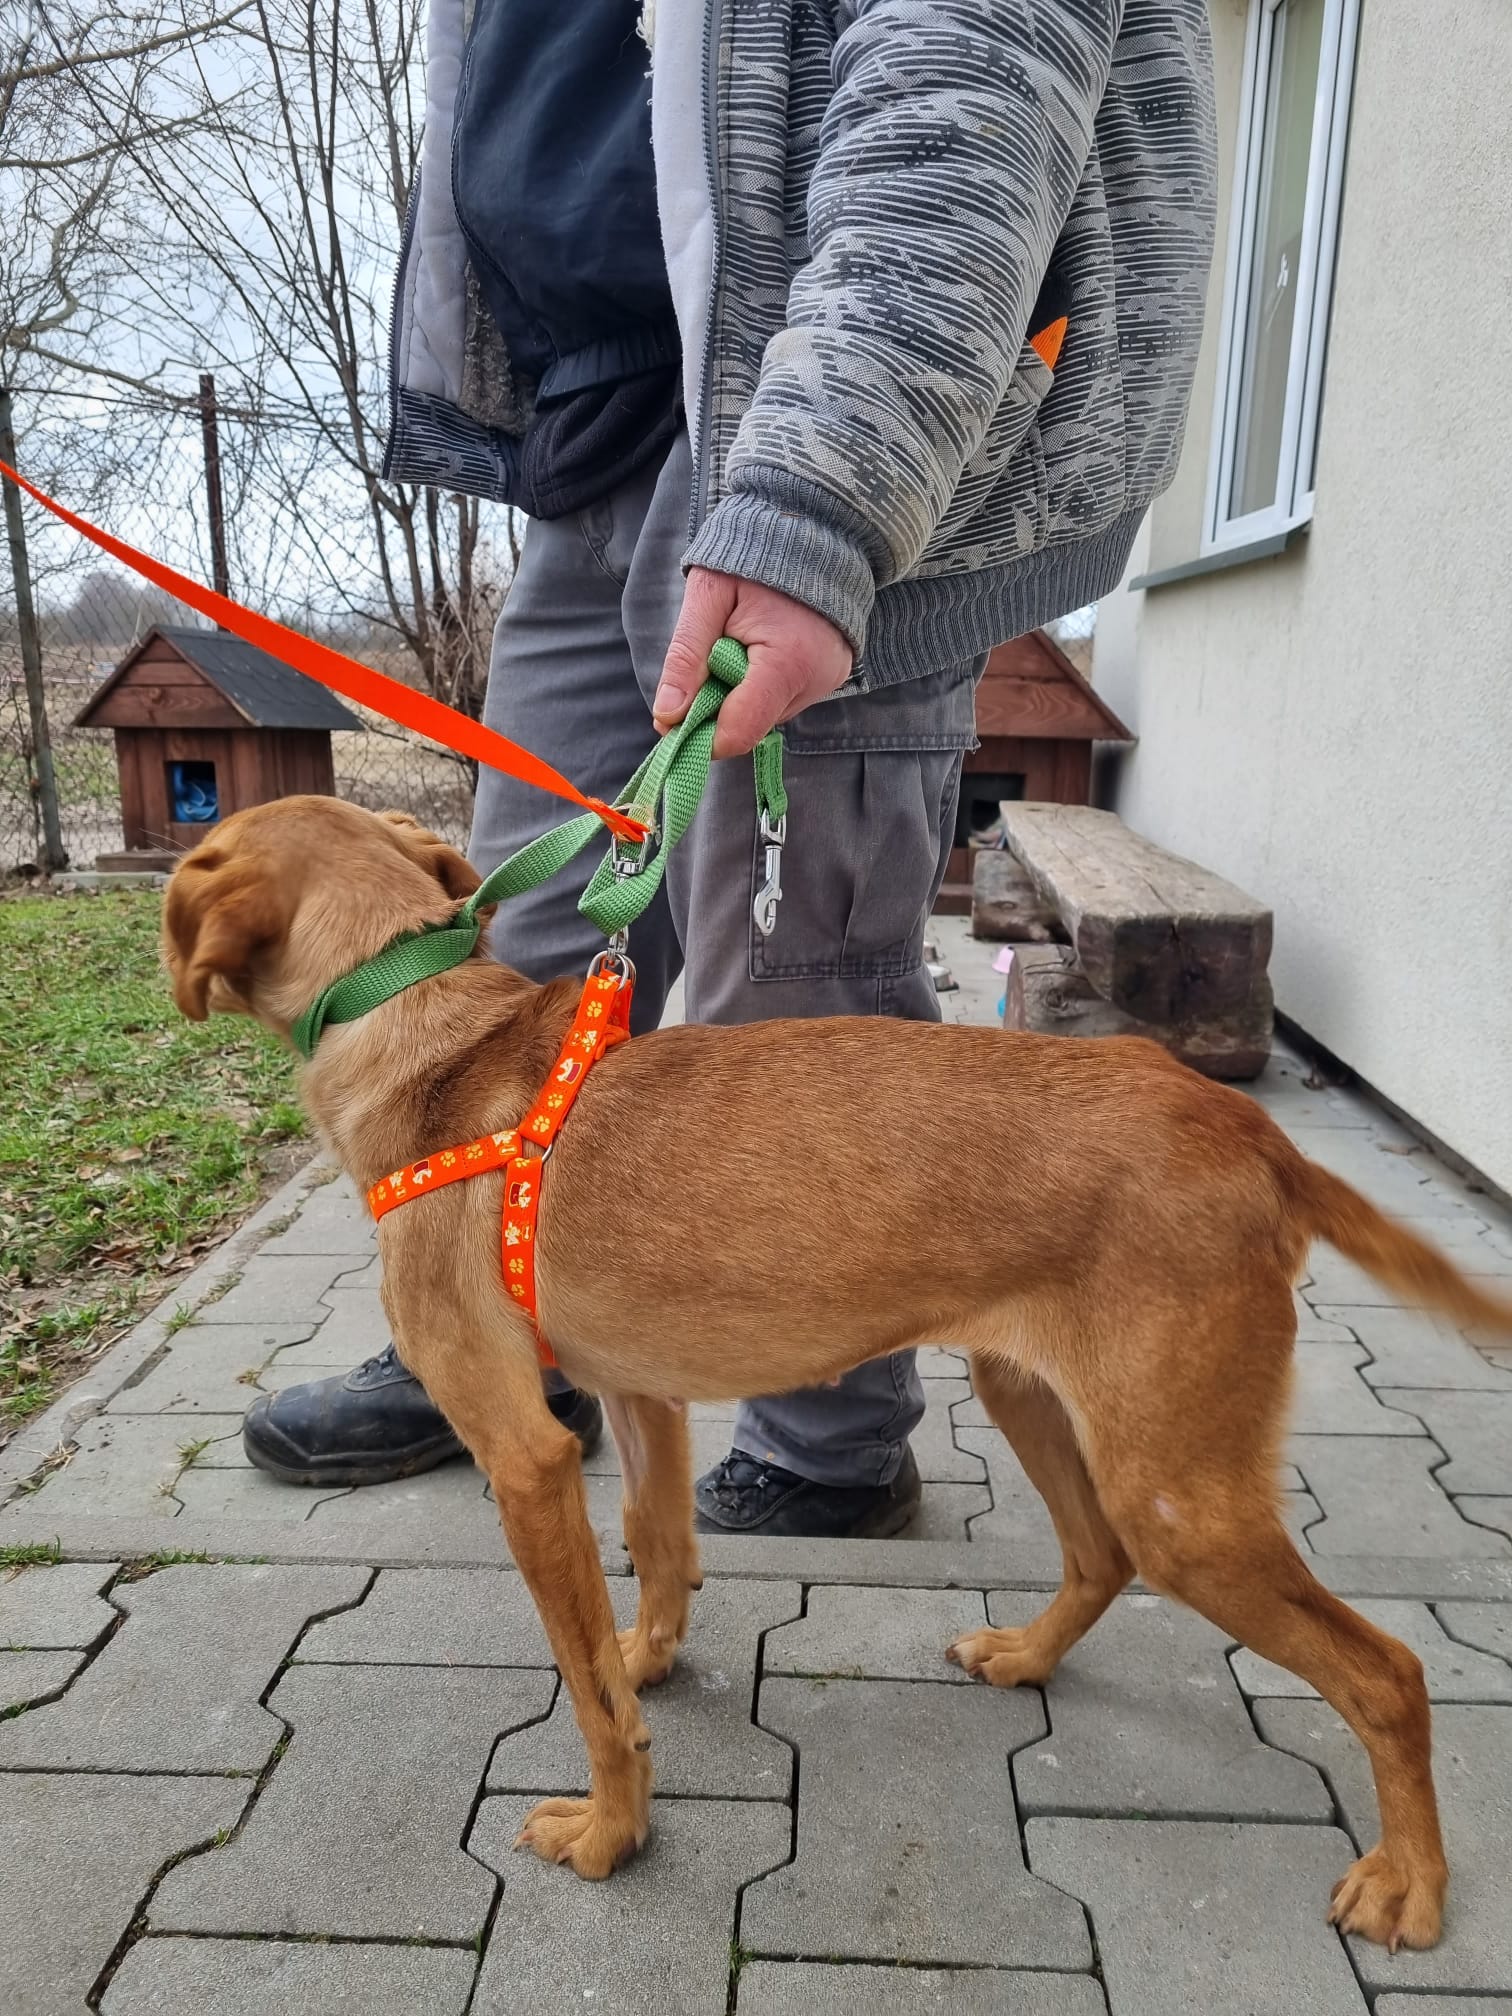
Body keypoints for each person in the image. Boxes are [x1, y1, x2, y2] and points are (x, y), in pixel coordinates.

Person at [243, 0, 1217, 1536]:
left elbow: (967, 75)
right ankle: (497, 1334)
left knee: (796, 982)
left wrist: (827, 493)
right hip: (587, 437)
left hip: (809, 413)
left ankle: (830, 1442)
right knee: (517, 968)